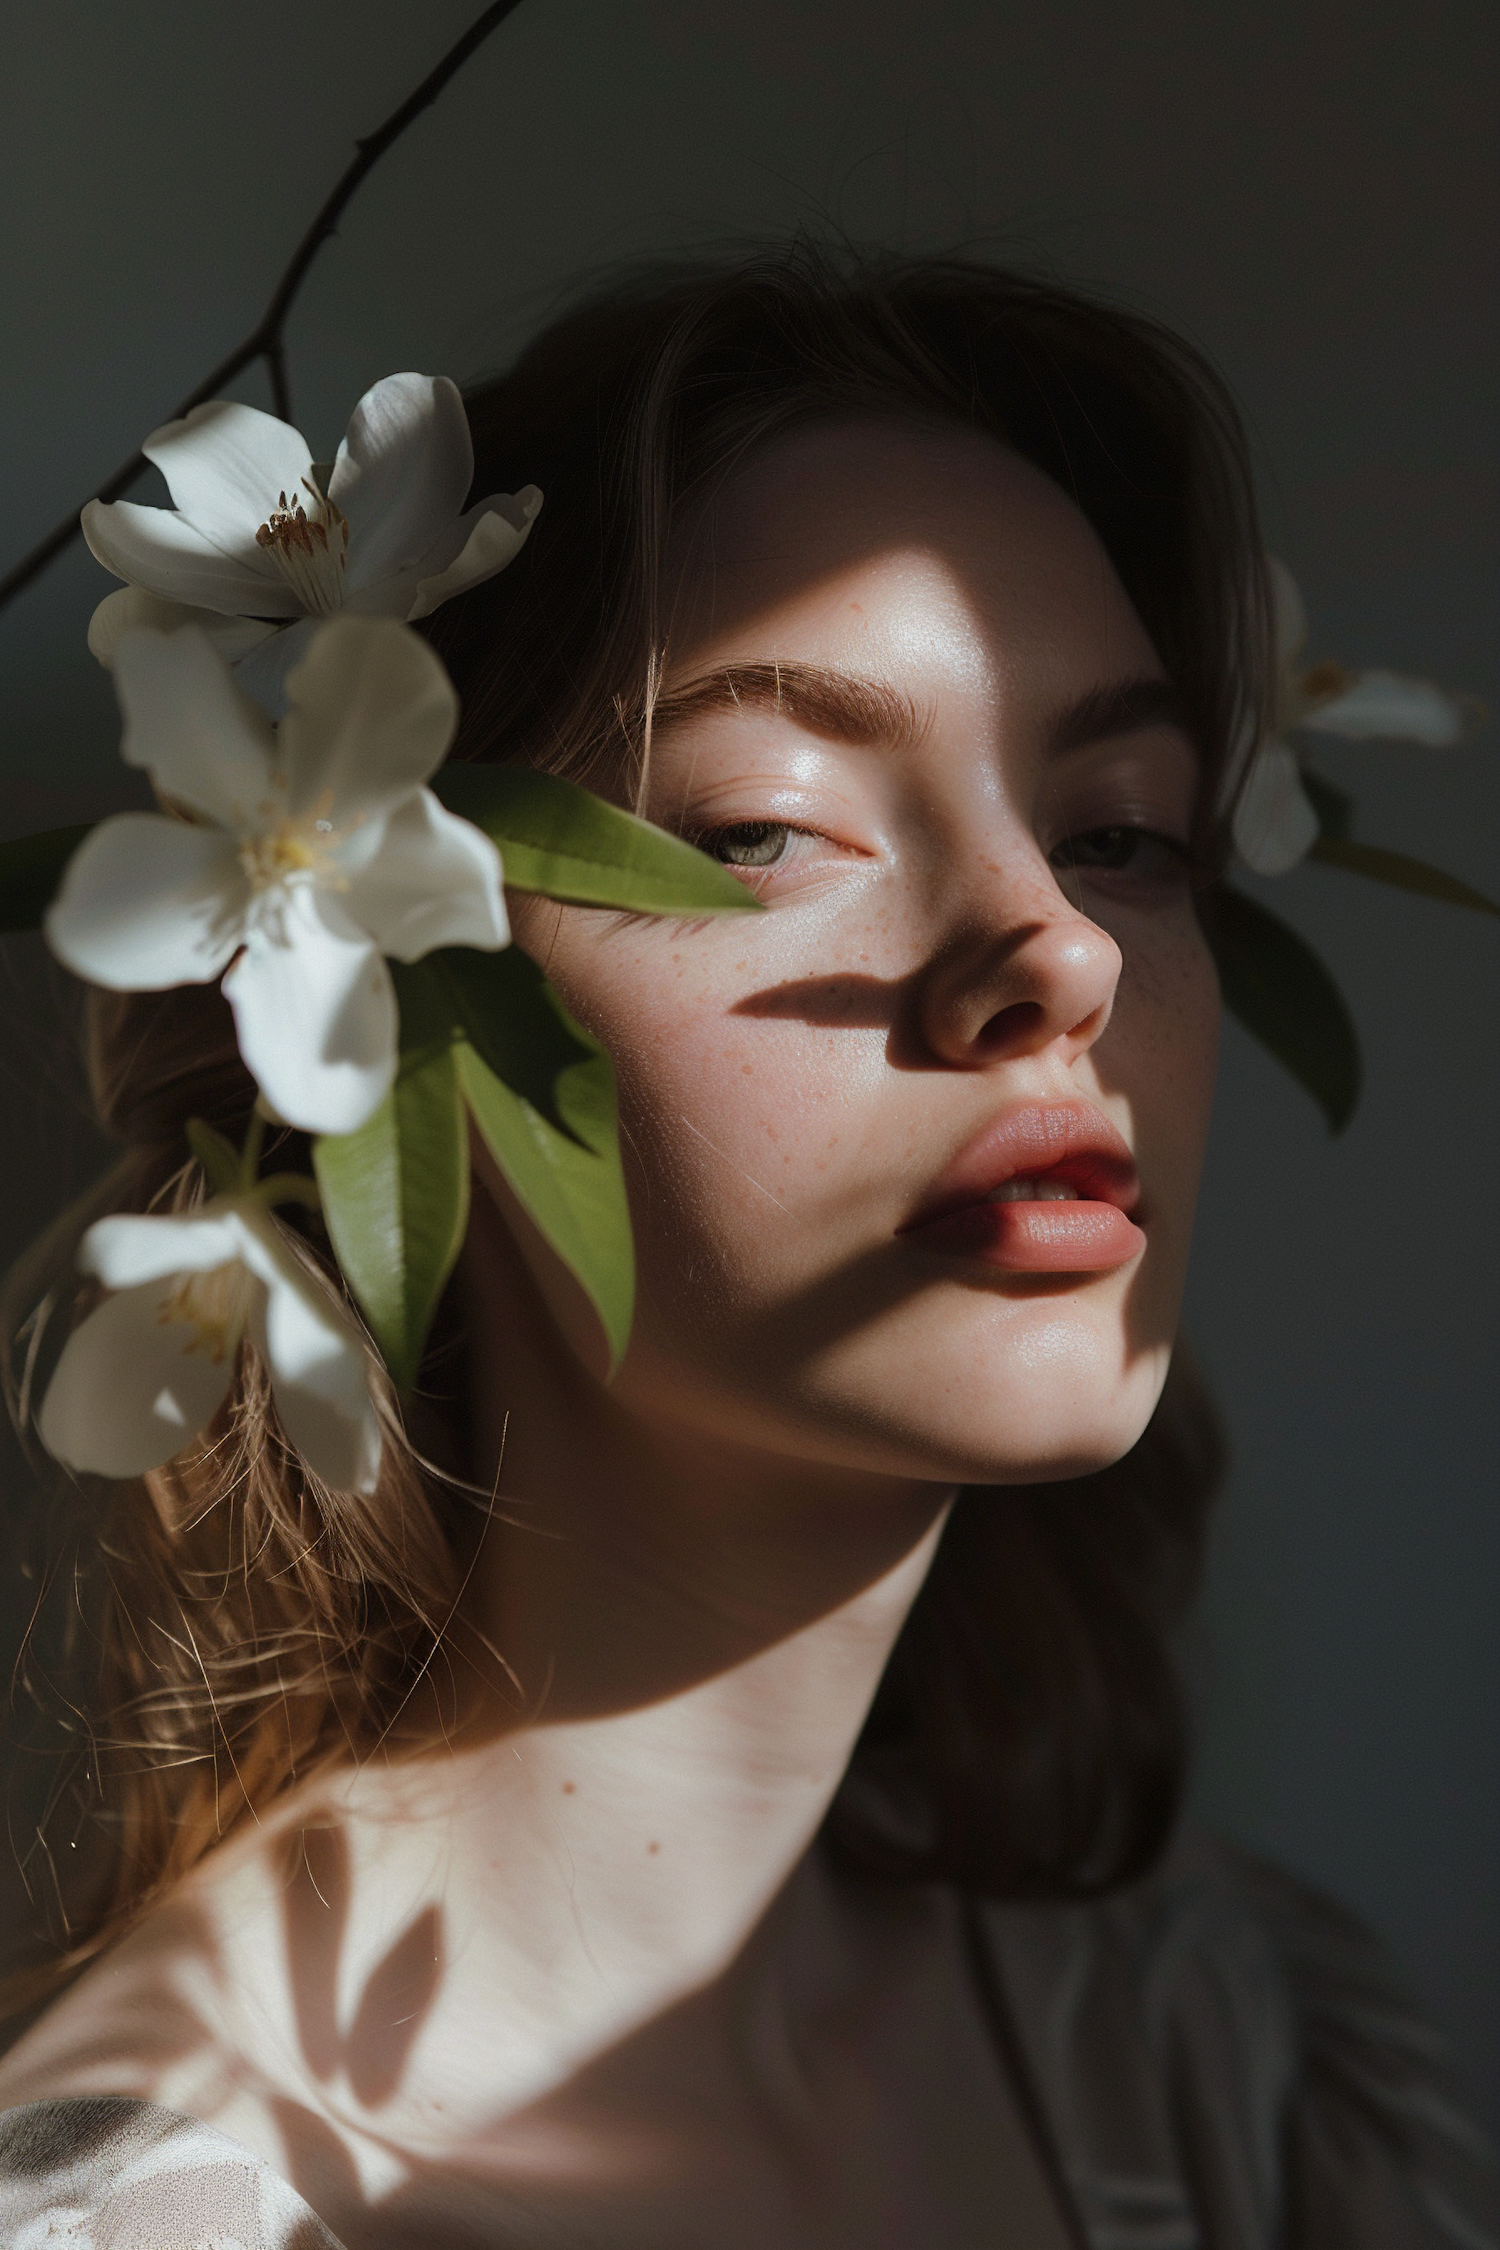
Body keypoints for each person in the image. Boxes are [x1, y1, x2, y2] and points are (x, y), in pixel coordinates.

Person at [0, 250, 1492, 2249]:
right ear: (370, 1001)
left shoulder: (1250, 2062)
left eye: (1123, 828)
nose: (1055, 950)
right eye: (763, 828)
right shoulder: (154, 2213)